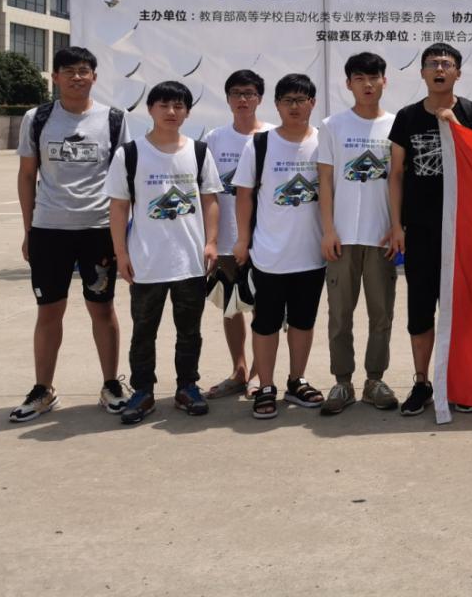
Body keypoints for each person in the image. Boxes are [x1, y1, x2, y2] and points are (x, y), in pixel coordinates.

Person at [11, 46, 130, 422]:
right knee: (49, 310)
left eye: (83, 70)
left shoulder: (113, 119)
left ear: (94, 76)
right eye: (68, 71)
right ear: (55, 77)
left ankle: (111, 385)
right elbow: (27, 175)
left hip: (98, 231)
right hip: (49, 230)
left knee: (102, 309)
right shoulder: (37, 118)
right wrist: (28, 230)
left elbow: (122, 182)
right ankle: (43, 389)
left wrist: (121, 237)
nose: (76, 77)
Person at [384, 44, 472, 416]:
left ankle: (459, 381)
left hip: (463, 229)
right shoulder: (408, 117)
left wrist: (455, 126)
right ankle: (422, 382)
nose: (440, 69)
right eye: (433, 64)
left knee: (460, 309)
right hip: (420, 229)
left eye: (447, 64)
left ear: (458, 73)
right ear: (423, 73)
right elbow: (396, 174)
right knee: (420, 308)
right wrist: (397, 225)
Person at [106, 81, 221, 424]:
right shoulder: (130, 153)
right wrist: (121, 253)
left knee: (190, 332)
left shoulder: (198, 151)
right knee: (144, 332)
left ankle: (187, 387)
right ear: (150, 109)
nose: (171, 112)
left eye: (178, 106)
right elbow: (118, 207)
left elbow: (210, 200)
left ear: (187, 112)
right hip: (146, 262)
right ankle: (143, 392)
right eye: (164, 105)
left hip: (190, 262)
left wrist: (211, 242)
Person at [232, 74, 328, 419]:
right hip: (268, 254)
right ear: (277, 105)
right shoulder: (259, 144)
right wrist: (243, 240)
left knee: (303, 321)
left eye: (301, 100)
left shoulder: (324, 141)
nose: (295, 107)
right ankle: (266, 385)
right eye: (288, 100)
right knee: (265, 323)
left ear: (313, 103)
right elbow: (244, 195)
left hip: (312, 255)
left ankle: (296, 380)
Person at [317, 53, 399, 415]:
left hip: (381, 238)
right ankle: (342, 382)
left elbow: (399, 180)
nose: (368, 84)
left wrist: (397, 227)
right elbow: (325, 181)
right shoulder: (332, 125)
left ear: (384, 81)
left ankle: (374, 380)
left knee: (382, 314)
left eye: (374, 77)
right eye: (360, 78)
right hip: (343, 238)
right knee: (340, 315)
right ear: (348, 83)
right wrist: (328, 230)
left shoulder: (396, 125)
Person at [202, 69, 272, 400]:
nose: (243, 100)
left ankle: (259, 373)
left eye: (249, 93)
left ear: (260, 98)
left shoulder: (272, 135)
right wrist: (211, 238)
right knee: (230, 307)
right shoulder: (215, 139)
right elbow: (208, 192)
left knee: (262, 307)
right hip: (228, 240)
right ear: (228, 99)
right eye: (236, 94)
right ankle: (239, 370)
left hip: (266, 240)